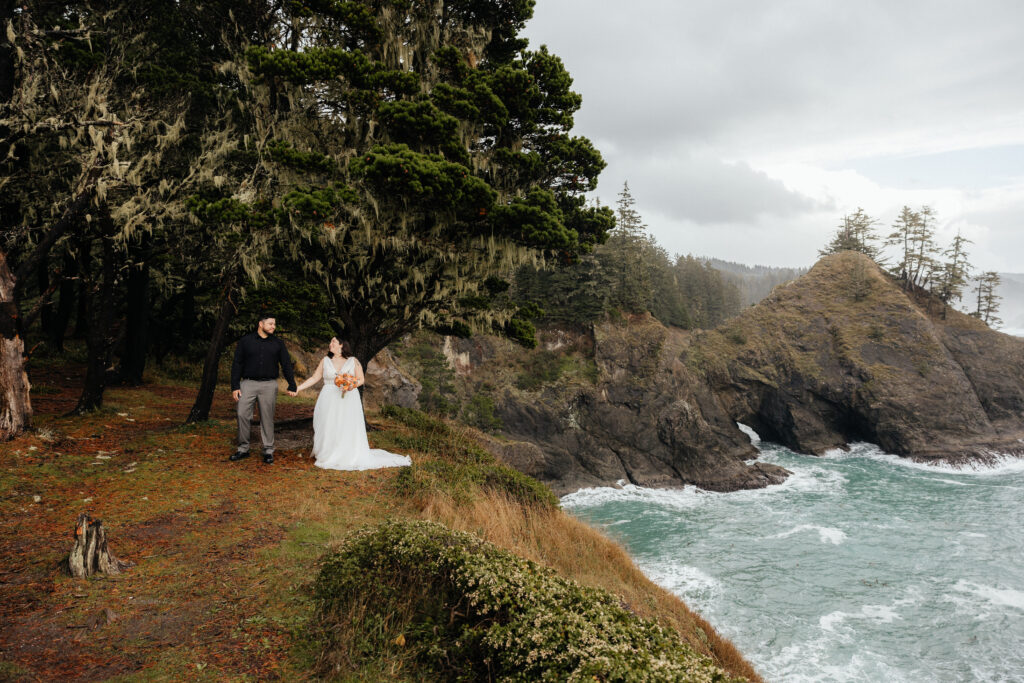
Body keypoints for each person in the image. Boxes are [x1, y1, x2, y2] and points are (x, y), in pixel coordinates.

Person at [294, 337, 411, 471]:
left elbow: (361, 379)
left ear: (341, 345)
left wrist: (350, 385)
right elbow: (315, 377)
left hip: (348, 399)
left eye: (333, 342)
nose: (330, 344)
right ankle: (327, 453)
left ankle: (346, 454)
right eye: (330, 342)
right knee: (328, 424)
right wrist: (298, 388)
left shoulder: (353, 361)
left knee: (345, 425)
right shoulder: (325, 361)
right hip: (328, 398)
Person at [229, 313, 297, 464]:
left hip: (269, 385)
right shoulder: (246, 341)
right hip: (247, 384)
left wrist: (292, 383)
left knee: (267, 418)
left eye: (274, 324)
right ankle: (243, 449)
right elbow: (237, 364)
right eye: (270, 324)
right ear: (261, 324)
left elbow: (286, 364)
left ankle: (268, 451)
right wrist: (235, 386)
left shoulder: (278, 343)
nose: (273, 326)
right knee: (242, 414)